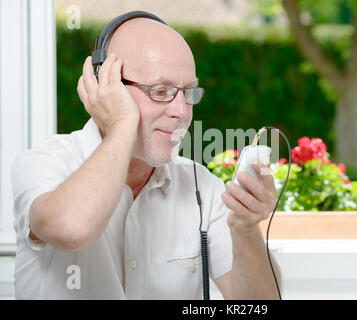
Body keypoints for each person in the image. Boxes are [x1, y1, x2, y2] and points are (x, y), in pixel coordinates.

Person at [10, 15, 281, 299]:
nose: (182, 111)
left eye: (188, 92)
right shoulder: (44, 164)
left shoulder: (202, 185)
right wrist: (122, 124)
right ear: (107, 86)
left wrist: (246, 230)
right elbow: (73, 230)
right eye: (161, 91)